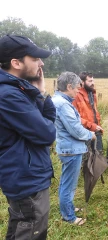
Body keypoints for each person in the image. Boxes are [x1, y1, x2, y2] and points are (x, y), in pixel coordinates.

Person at [0, 35, 56, 239]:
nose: (41, 63)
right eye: (35, 58)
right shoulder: (9, 96)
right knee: (30, 231)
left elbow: (44, 127)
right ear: (16, 63)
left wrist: (39, 92)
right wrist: (41, 94)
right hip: (26, 180)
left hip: (28, 175)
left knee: (24, 229)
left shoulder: (20, 91)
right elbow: (48, 134)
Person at [52, 72, 96, 226]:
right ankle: (69, 217)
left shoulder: (58, 100)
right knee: (69, 184)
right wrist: (90, 134)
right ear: (69, 86)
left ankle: (68, 208)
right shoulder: (63, 104)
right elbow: (76, 129)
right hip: (71, 149)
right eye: (77, 88)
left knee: (67, 182)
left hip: (67, 148)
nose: (78, 91)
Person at [73, 71, 103, 157]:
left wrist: (98, 126)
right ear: (82, 82)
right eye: (90, 81)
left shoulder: (92, 94)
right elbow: (75, 117)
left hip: (96, 129)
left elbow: (95, 112)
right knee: (86, 157)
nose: (93, 83)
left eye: (93, 80)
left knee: (98, 155)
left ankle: (96, 171)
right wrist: (90, 125)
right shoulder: (76, 95)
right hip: (84, 131)